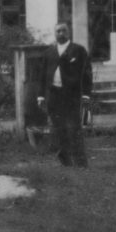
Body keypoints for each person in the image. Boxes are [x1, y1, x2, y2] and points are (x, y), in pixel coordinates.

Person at [37, 22, 93, 167]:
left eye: (64, 31)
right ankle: (65, 160)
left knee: (74, 128)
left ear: (69, 33)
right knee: (58, 129)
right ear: (54, 33)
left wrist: (86, 95)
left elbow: (87, 74)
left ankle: (81, 162)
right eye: (58, 31)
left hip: (72, 96)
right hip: (54, 96)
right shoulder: (49, 52)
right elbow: (42, 75)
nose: (61, 33)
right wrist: (41, 96)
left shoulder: (79, 50)